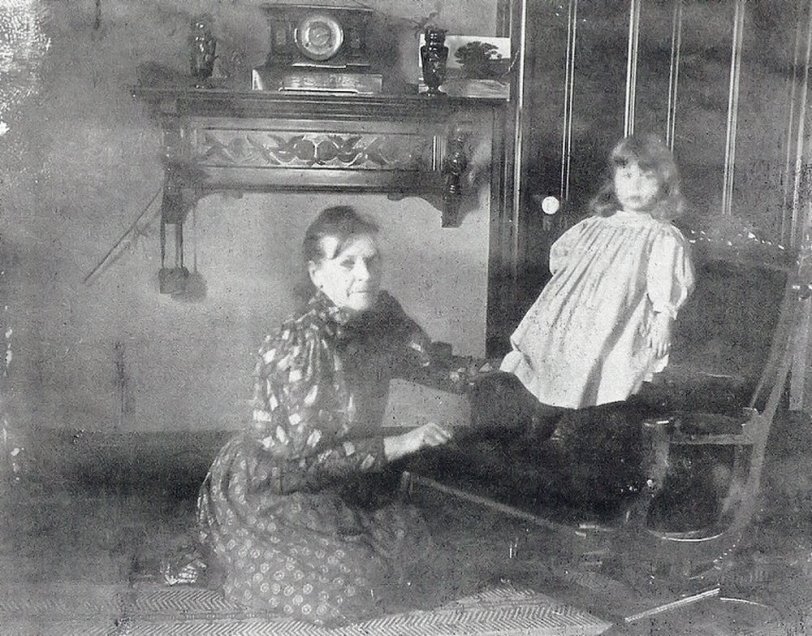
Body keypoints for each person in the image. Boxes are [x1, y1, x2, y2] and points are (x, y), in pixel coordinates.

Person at [193, 206, 453, 625]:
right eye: (347, 263)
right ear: (317, 274)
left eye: (373, 260)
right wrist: (404, 442)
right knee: (350, 588)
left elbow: (435, 367)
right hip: (273, 486)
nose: (365, 275)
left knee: (421, 560)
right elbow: (306, 465)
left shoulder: (383, 316)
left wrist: (510, 367)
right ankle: (225, 556)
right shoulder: (299, 342)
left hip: (345, 477)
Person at [499, 133, 696, 409]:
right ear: (613, 182)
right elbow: (561, 259)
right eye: (626, 177)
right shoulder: (595, 225)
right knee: (552, 354)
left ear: (664, 185)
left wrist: (664, 318)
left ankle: (583, 415)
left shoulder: (660, 235)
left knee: (600, 370)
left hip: (618, 319)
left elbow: (665, 282)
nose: (635, 186)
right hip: (575, 317)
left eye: (645, 177)